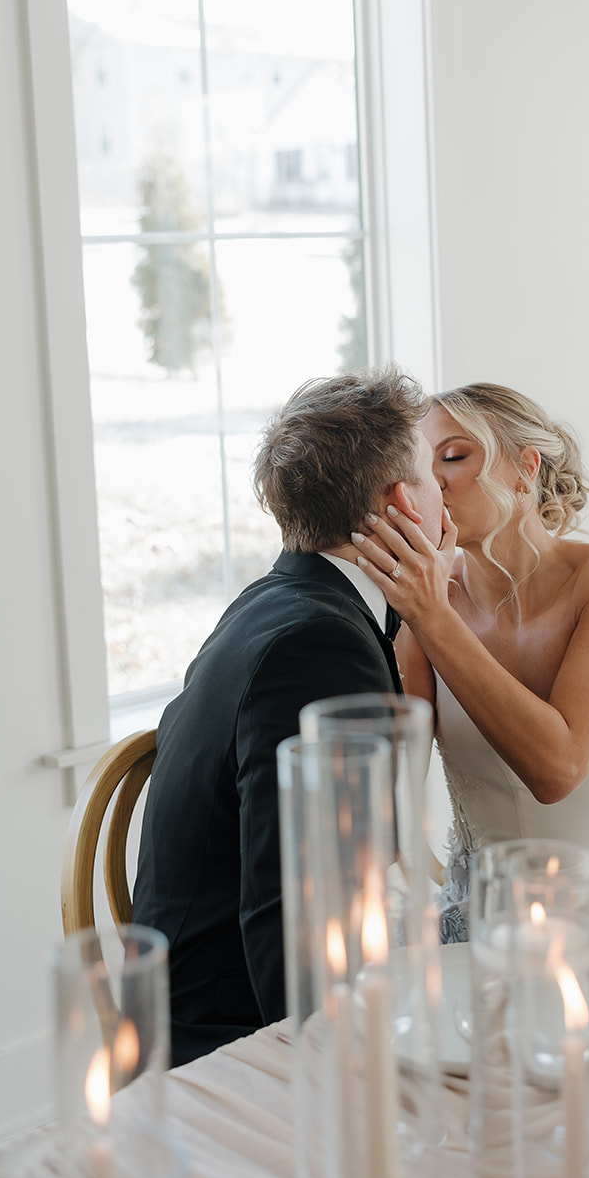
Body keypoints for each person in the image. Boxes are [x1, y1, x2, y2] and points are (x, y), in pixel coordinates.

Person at [131, 368, 446, 1065]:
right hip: (224, 1044)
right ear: (402, 503)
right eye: (432, 475)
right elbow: (295, 912)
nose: (442, 493)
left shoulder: (278, 601)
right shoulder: (316, 645)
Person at [351, 383, 589, 934]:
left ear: (525, 468)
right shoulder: (426, 604)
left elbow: (558, 769)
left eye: (453, 456)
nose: (434, 482)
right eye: (420, 468)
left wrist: (432, 618)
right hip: (483, 920)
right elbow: (391, 801)